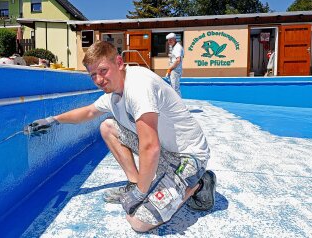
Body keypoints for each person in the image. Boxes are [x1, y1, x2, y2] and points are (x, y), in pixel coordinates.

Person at [25, 41, 216, 232]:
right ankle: (135, 183)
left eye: (103, 70)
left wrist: (141, 194)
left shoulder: (139, 87)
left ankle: (198, 184)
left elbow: (150, 147)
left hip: (188, 156)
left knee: (139, 222)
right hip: (166, 152)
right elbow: (89, 112)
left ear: (119, 62)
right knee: (107, 127)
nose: (99, 80)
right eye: (93, 75)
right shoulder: (114, 94)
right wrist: (53, 120)